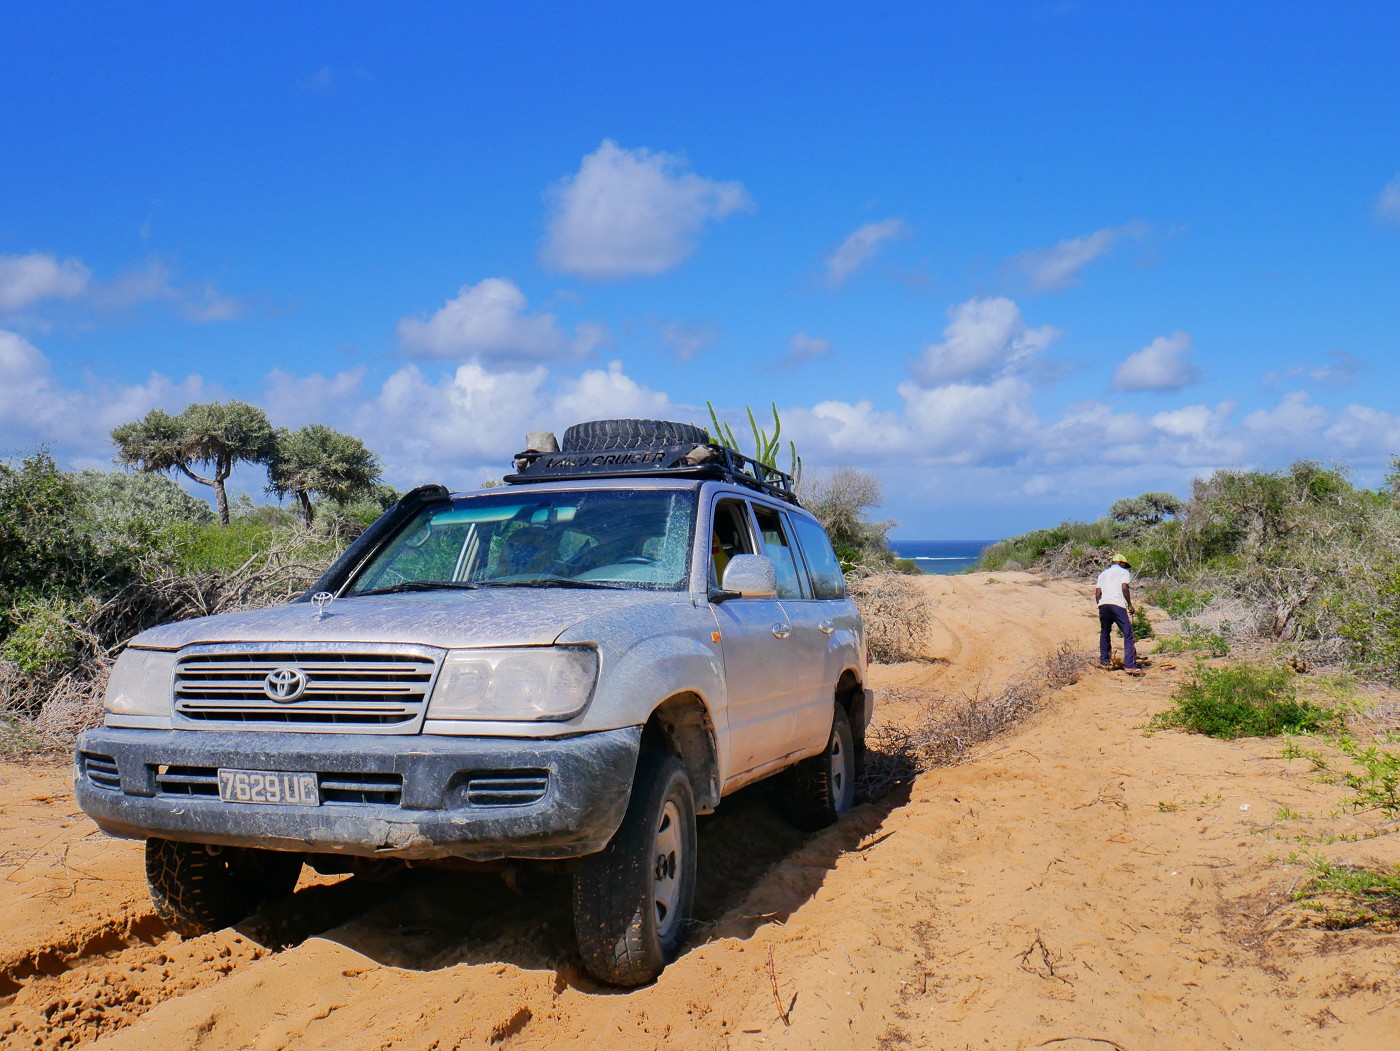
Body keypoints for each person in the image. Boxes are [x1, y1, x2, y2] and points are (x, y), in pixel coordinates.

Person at [1095, 552, 1144, 676]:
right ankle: (1130, 665)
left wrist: (1100, 606)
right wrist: (1130, 605)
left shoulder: (1103, 574)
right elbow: (1124, 587)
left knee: (1105, 632)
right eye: (1125, 565)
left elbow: (1097, 593)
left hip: (1103, 604)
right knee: (1128, 633)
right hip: (1117, 604)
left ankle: (1104, 661)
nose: (1126, 567)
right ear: (1121, 563)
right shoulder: (1123, 572)